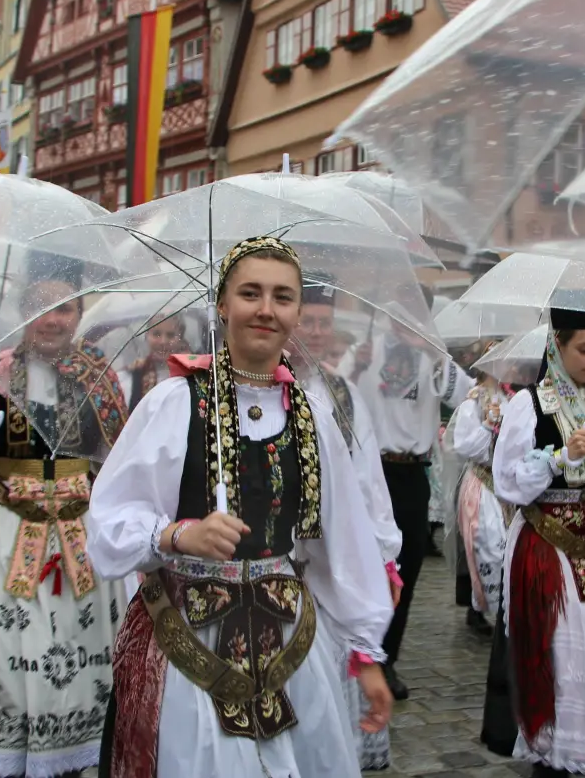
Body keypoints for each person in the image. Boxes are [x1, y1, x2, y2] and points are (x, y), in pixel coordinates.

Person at [87, 236, 394, 778]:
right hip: (186, 637)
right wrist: (179, 535)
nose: (266, 309)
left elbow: (343, 542)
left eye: (283, 296)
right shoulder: (173, 403)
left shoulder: (313, 417)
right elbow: (111, 518)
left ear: (296, 310)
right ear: (223, 305)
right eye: (251, 293)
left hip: (288, 641)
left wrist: (365, 655)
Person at [0, 279, 128, 778]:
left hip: (83, 537)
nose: (51, 320)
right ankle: (18, 760)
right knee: (11, 653)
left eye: (64, 309)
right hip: (10, 535)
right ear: (23, 313)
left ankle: (83, 757)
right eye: (40, 308)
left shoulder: (101, 374)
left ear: (78, 315)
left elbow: (123, 461)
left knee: (86, 649)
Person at [489, 308, 585, 776]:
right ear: (557, 346)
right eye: (584, 349)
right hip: (550, 545)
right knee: (562, 652)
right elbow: (509, 481)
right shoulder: (530, 405)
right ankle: (555, 754)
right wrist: (558, 457)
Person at [289, 273, 402, 771]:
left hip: (332, 558)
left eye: (325, 323)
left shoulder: (343, 394)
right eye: (308, 321)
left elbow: (368, 479)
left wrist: (383, 553)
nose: (316, 333)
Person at [345, 286, 470, 699]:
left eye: (415, 315)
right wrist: (356, 368)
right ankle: (358, 653)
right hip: (371, 473)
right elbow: (336, 396)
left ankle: (387, 658)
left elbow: (466, 395)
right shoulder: (367, 349)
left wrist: (434, 353)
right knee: (367, 566)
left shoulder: (433, 358)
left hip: (412, 472)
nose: (406, 323)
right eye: (400, 313)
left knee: (406, 570)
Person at [451, 369, 510, 633]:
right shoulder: (472, 402)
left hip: (506, 484)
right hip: (482, 482)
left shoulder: (511, 398)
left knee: (508, 548)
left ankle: (504, 610)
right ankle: (492, 608)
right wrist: (487, 425)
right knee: (490, 547)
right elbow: (464, 447)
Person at [121, 315, 190, 411]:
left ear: (180, 339)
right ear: (146, 336)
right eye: (156, 334)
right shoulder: (132, 376)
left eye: (170, 335)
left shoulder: (193, 375)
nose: (163, 341)